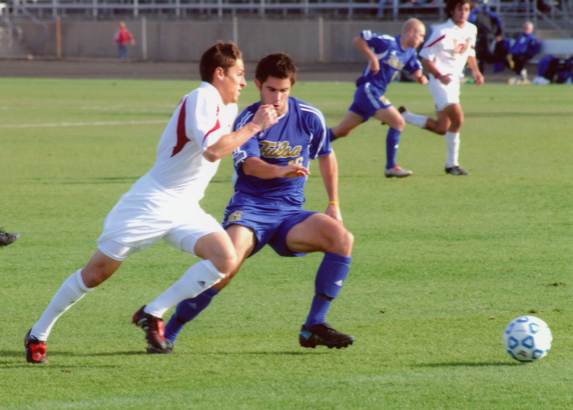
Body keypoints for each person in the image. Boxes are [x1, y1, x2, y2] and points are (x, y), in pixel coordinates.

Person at [24, 42, 278, 364]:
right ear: (219, 74)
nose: (243, 82)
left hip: (185, 207)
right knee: (95, 274)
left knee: (225, 259)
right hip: (151, 202)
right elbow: (213, 150)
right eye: (239, 74)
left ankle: (152, 312)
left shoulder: (223, 106)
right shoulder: (203, 96)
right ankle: (38, 333)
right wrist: (255, 126)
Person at [144, 52, 356, 353]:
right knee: (223, 267)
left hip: (290, 213)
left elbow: (326, 154)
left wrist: (333, 202)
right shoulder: (248, 119)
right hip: (251, 208)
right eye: (271, 89)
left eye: (284, 90)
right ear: (258, 85)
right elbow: (249, 165)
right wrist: (279, 170)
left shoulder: (310, 116)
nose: (278, 97)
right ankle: (171, 330)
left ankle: (313, 326)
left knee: (342, 239)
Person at [329, 19, 428, 179]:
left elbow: (416, 70)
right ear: (411, 32)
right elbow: (358, 40)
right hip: (369, 89)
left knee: (342, 131)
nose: (422, 40)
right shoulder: (388, 42)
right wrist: (373, 58)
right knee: (398, 121)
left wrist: (420, 78)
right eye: (421, 35)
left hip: (371, 94)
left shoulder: (409, 52)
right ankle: (391, 166)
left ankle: (307, 148)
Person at [400, 0, 484, 176]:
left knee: (441, 128)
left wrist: (476, 72)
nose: (463, 12)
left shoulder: (471, 29)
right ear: (452, 11)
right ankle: (451, 165)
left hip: (454, 83)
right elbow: (425, 58)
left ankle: (404, 116)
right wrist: (438, 75)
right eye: (459, 9)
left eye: (466, 9)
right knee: (458, 119)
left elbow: (470, 53)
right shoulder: (441, 31)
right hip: (440, 84)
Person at [468, 1, 503, 73]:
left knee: (486, 56)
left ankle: (504, 60)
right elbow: (498, 20)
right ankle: (480, 74)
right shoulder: (487, 12)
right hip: (489, 36)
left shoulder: (473, 13)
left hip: (482, 37)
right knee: (481, 56)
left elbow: (468, 23)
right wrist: (498, 33)